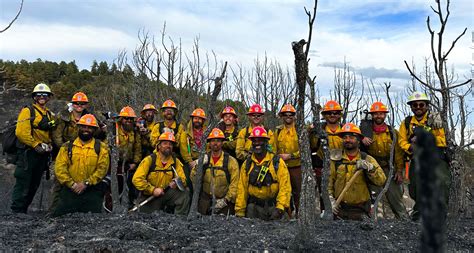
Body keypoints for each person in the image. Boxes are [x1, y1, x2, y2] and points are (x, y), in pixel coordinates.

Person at [398, 91, 450, 221]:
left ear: (427, 106)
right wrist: (411, 147)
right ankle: (418, 215)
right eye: (415, 105)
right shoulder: (406, 123)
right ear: (411, 107)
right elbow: (401, 141)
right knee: (415, 189)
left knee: (442, 183)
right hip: (417, 158)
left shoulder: (434, 120)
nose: (418, 108)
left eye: (421, 105)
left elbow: (442, 140)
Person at [11, 83, 56, 213]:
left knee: (34, 183)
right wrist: (35, 144)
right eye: (39, 95)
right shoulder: (28, 111)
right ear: (35, 97)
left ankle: (23, 210)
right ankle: (17, 211)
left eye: (45, 95)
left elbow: (49, 133)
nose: (42, 97)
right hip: (28, 153)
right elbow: (21, 132)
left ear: (48, 97)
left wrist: (50, 145)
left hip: (42, 154)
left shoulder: (48, 114)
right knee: (23, 181)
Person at [52, 114, 109, 217]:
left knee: (93, 223)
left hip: (92, 192)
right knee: (59, 220)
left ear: (94, 130)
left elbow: (102, 169)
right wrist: (72, 184)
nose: (86, 129)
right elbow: (60, 169)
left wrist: (86, 183)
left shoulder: (101, 147)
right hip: (69, 191)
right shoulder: (66, 146)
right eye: (83, 126)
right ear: (78, 127)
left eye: (90, 127)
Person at [328, 123, 386, 220]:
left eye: (351, 137)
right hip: (340, 210)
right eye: (345, 137)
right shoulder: (335, 159)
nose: (347, 140)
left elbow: (381, 180)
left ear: (359, 140)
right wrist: (330, 199)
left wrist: (370, 168)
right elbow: (329, 182)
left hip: (361, 210)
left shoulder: (367, 158)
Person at [360, 102, 408, 219]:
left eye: (381, 113)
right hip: (372, 170)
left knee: (396, 198)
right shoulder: (364, 132)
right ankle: (374, 224)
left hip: (389, 169)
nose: (378, 116)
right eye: (375, 114)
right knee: (374, 199)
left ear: (385, 115)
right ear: (372, 115)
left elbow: (398, 154)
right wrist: (361, 139)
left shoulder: (392, 133)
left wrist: (399, 171)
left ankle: (405, 222)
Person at [235, 127, 291, 220]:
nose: (257, 143)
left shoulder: (277, 162)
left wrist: (280, 208)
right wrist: (239, 212)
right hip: (254, 208)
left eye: (260, 140)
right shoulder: (247, 164)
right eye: (254, 140)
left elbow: (285, 186)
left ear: (266, 142)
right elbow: (242, 188)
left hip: (273, 207)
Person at [132, 132, 190, 214]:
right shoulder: (149, 160)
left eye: (170, 144)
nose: (168, 146)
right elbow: (136, 179)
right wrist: (153, 190)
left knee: (184, 194)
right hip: (151, 196)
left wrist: (176, 182)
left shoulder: (175, 161)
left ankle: (179, 220)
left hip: (167, 194)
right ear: (159, 146)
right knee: (143, 216)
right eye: (165, 143)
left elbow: (183, 179)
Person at [191, 128, 239, 215]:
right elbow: (193, 179)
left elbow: (235, 185)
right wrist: (198, 165)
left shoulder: (231, 162)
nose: (215, 143)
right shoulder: (204, 159)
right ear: (209, 143)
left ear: (222, 142)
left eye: (218, 141)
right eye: (213, 141)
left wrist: (226, 200)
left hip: (223, 202)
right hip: (204, 201)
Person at [104, 106, 142, 212]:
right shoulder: (113, 129)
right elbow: (106, 147)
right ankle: (109, 208)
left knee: (131, 186)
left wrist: (135, 162)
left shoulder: (135, 132)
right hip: (113, 163)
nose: (128, 121)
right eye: (126, 118)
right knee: (113, 186)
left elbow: (137, 149)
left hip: (128, 164)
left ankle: (129, 207)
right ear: (121, 119)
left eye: (131, 119)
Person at [309, 100, 343, 212]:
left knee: (340, 193)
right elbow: (312, 146)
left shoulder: (346, 130)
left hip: (341, 168)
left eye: (335, 113)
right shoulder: (318, 130)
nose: (332, 115)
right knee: (324, 195)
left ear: (340, 115)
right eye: (329, 113)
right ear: (324, 115)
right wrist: (311, 131)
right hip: (322, 168)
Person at [273, 104, 301, 217]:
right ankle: (286, 215)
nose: (288, 116)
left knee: (298, 192)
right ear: (282, 117)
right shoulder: (278, 131)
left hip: (297, 167)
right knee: (283, 192)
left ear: (294, 116)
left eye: (291, 115)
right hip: (281, 167)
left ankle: (300, 216)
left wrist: (290, 156)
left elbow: (304, 150)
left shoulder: (299, 130)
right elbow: (274, 148)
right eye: (285, 115)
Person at [179, 108, 208, 192]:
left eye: (199, 118)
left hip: (204, 160)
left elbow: (209, 147)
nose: (197, 120)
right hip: (190, 162)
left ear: (203, 120)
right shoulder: (185, 133)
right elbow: (183, 149)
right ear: (192, 119)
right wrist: (190, 161)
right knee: (189, 181)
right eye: (195, 118)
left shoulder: (207, 133)